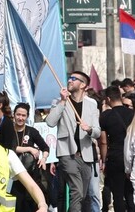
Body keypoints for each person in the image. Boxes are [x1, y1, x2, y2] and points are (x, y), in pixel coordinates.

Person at [46, 71, 101, 212]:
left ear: (83, 85)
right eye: (69, 78)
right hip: (67, 153)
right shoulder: (59, 102)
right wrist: (63, 101)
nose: (69, 81)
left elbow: (97, 132)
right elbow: (50, 122)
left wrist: (88, 129)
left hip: (86, 155)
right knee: (76, 190)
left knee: (83, 194)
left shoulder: (92, 104)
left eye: (73, 79)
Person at [2, 103, 50, 212]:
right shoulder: (8, 130)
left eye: (23, 115)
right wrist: (28, 149)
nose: (20, 118)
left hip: (31, 173)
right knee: (17, 205)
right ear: (14, 115)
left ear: (27, 116)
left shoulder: (32, 131)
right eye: (18, 114)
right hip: (13, 176)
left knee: (31, 203)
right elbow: (7, 148)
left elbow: (45, 147)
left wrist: (44, 159)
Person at [98, 86, 135, 212]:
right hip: (132, 156)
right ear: (120, 97)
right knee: (130, 192)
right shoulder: (133, 113)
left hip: (115, 156)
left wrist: (104, 160)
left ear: (108, 99)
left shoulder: (105, 116)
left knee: (118, 194)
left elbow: (103, 141)